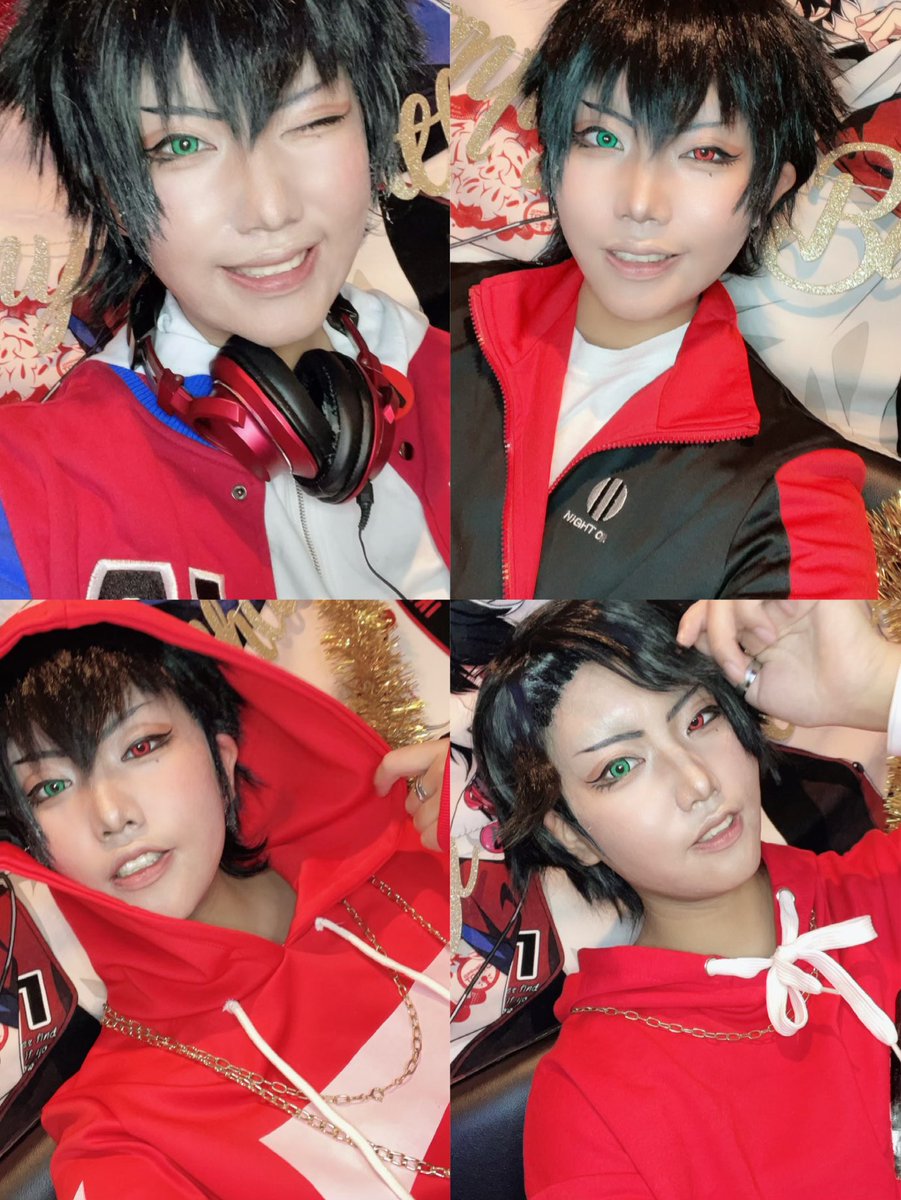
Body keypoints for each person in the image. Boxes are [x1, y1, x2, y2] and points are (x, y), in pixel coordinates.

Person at [0, 0, 449, 600]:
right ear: (111, 196)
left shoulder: (476, 384)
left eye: (312, 121)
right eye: (183, 144)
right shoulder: (31, 486)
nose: (270, 210)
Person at [0, 601, 450, 1198]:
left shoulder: (426, 853)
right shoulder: (117, 1130)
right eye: (51, 787)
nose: (111, 816)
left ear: (224, 759)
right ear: (33, 846)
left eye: (141, 747)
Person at [471, 598, 901, 1197]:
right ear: (570, 834)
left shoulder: (876, 890)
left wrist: (879, 685)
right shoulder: (590, 1108)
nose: (698, 783)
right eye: (620, 767)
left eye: (699, 719)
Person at [451, 0, 878, 599]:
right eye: (602, 137)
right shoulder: (444, 320)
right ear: (552, 150)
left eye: (704, 153)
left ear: (768, 192)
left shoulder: (792, 486)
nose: (641, 203)